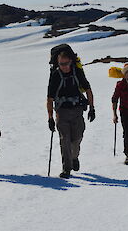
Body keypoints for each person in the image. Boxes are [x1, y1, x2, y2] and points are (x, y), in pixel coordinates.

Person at [47, 50, 95, 178]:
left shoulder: (77, 72)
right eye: (61, 64)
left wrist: (92, 108)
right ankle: (66, 169)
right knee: (65, 141)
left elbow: (88, 90)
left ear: (71, 62)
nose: (64, 67)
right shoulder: (55, 76)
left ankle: (75, 157)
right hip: (61, 113)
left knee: (77, 139)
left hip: (77, 111)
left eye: (66, 63)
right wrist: (50, 117)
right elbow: (50, 98)